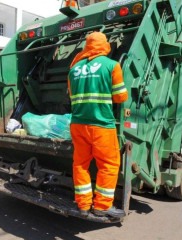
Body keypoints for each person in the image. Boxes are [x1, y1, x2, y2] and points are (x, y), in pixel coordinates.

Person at [67, 32, 128, 218]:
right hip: (101, 125)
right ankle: (102, 206)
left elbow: (71, 96)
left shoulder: (74, 69)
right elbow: (120, 97)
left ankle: (83, 205)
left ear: (87, 46)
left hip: (78, 124)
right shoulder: (112, 66)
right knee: (108, 164)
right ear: (105, 46)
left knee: (80, 165)